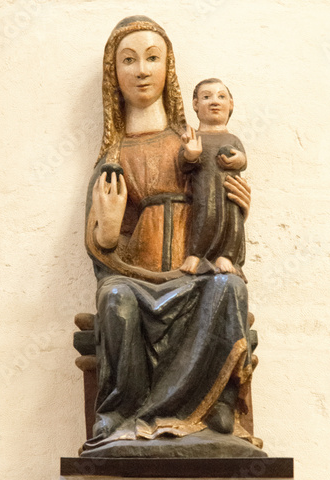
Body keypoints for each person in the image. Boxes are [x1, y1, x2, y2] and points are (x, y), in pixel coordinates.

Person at [82, 16, 254, 453]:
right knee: (115, 298)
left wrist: (237, 209)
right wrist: (105, 230)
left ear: (168, 68)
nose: (141, 70)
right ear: (113, 75)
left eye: (152, 58)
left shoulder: (192, 140)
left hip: (192, 271)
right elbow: (104, 248)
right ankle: (122, 416)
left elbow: (219, 204)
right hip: (137, 277)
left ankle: (212, 404)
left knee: (228, 286)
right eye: (129, 60)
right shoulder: (115, 154)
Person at [179, 78, 247, 281]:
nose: (214, 101)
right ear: (195, 105)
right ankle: (196, 255)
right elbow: (182, 165)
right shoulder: (194, 137)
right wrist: (190, 154)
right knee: (203, 217)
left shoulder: (232, 139)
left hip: (229, 192)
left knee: (232, 219)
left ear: (231, 104)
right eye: (206, 97)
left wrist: (239, 159)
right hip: (203, 190)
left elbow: (243, 161)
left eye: (221, 96)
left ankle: (226, 256)